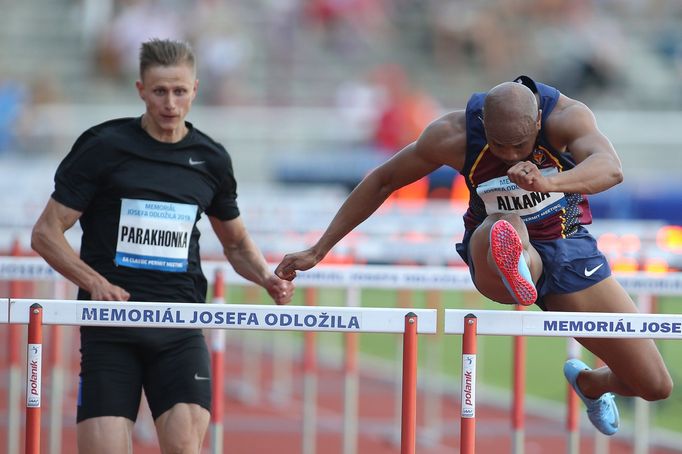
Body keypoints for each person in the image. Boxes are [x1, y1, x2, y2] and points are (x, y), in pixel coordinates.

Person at [275, 75, 673, 436]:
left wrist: (547, 181)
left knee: (654, 385)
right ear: (483, 125)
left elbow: (610, 169)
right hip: (490, 253)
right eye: (499, 145)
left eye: (520, 144)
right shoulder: (453, 134)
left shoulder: (567, 118)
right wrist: (319, 248)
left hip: (569, 250)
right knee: (507, 226)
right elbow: (383, 180)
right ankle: (519, 264)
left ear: (537, 124)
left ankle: (589, 383)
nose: (509, 153)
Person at [31, 38, 294, 454]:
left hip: (178, 327)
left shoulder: (211, 159)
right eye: (159, 92)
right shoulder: (103, 147)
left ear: (195, 90)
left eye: (179, 91)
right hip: (111, 328)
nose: (170, 103)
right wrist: (94, 282)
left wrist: (267, 277)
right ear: (140, 90)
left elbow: (237, 243)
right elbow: (46, 233)